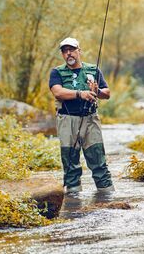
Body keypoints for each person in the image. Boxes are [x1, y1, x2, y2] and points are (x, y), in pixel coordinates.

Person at [49, 37, 114, 193]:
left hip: (90, 119)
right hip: (67, 120)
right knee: (70, 163)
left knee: (98, 160)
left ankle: (108, 198)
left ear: (79, 51)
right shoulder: (57, 72)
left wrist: (97, 91)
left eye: (72, 50)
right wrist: (80, 94)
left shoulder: (93, 70)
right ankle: (73, 203)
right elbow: (57, 92)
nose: (68, 54)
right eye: (65, 51)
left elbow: (107, 93)